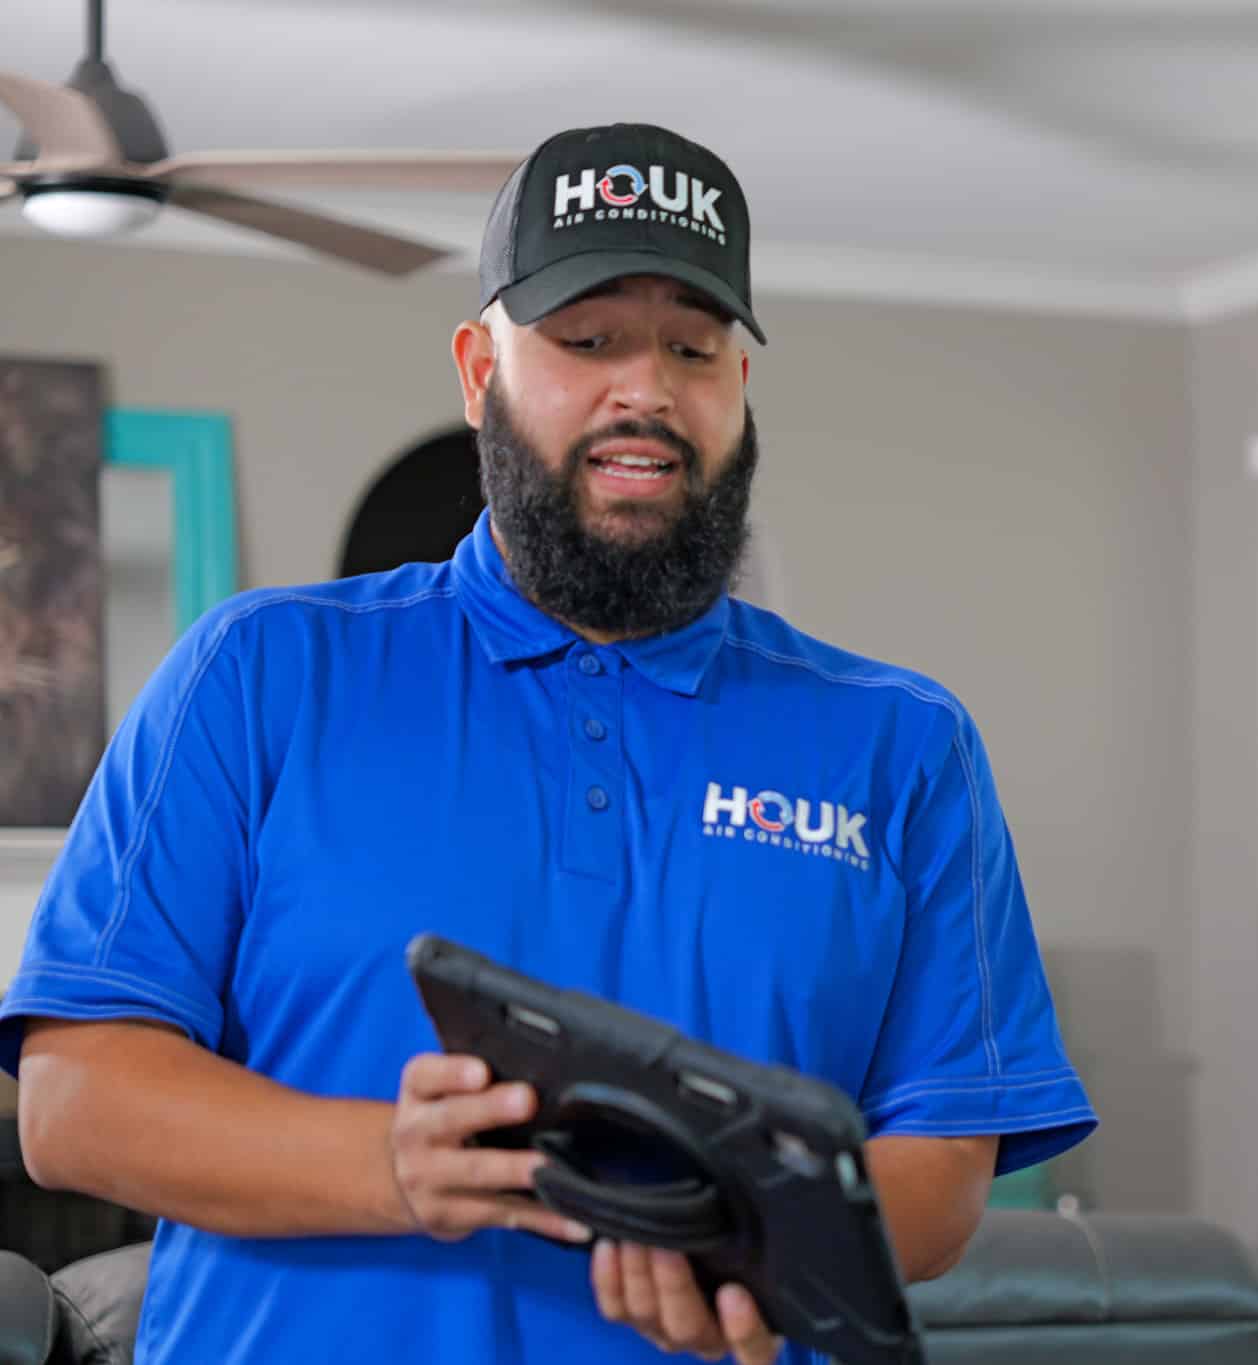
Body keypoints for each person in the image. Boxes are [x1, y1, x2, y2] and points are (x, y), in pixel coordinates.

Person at [2, 122, 1096, 1365]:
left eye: (693, 348)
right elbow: (73, 1104)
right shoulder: (258, 672)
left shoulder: (900, 743)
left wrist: (746, 1248)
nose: (647, 390)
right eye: (587, 340)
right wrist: (390, 1164)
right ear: (479, 372)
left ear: (740, 383)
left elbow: (944, 1161)